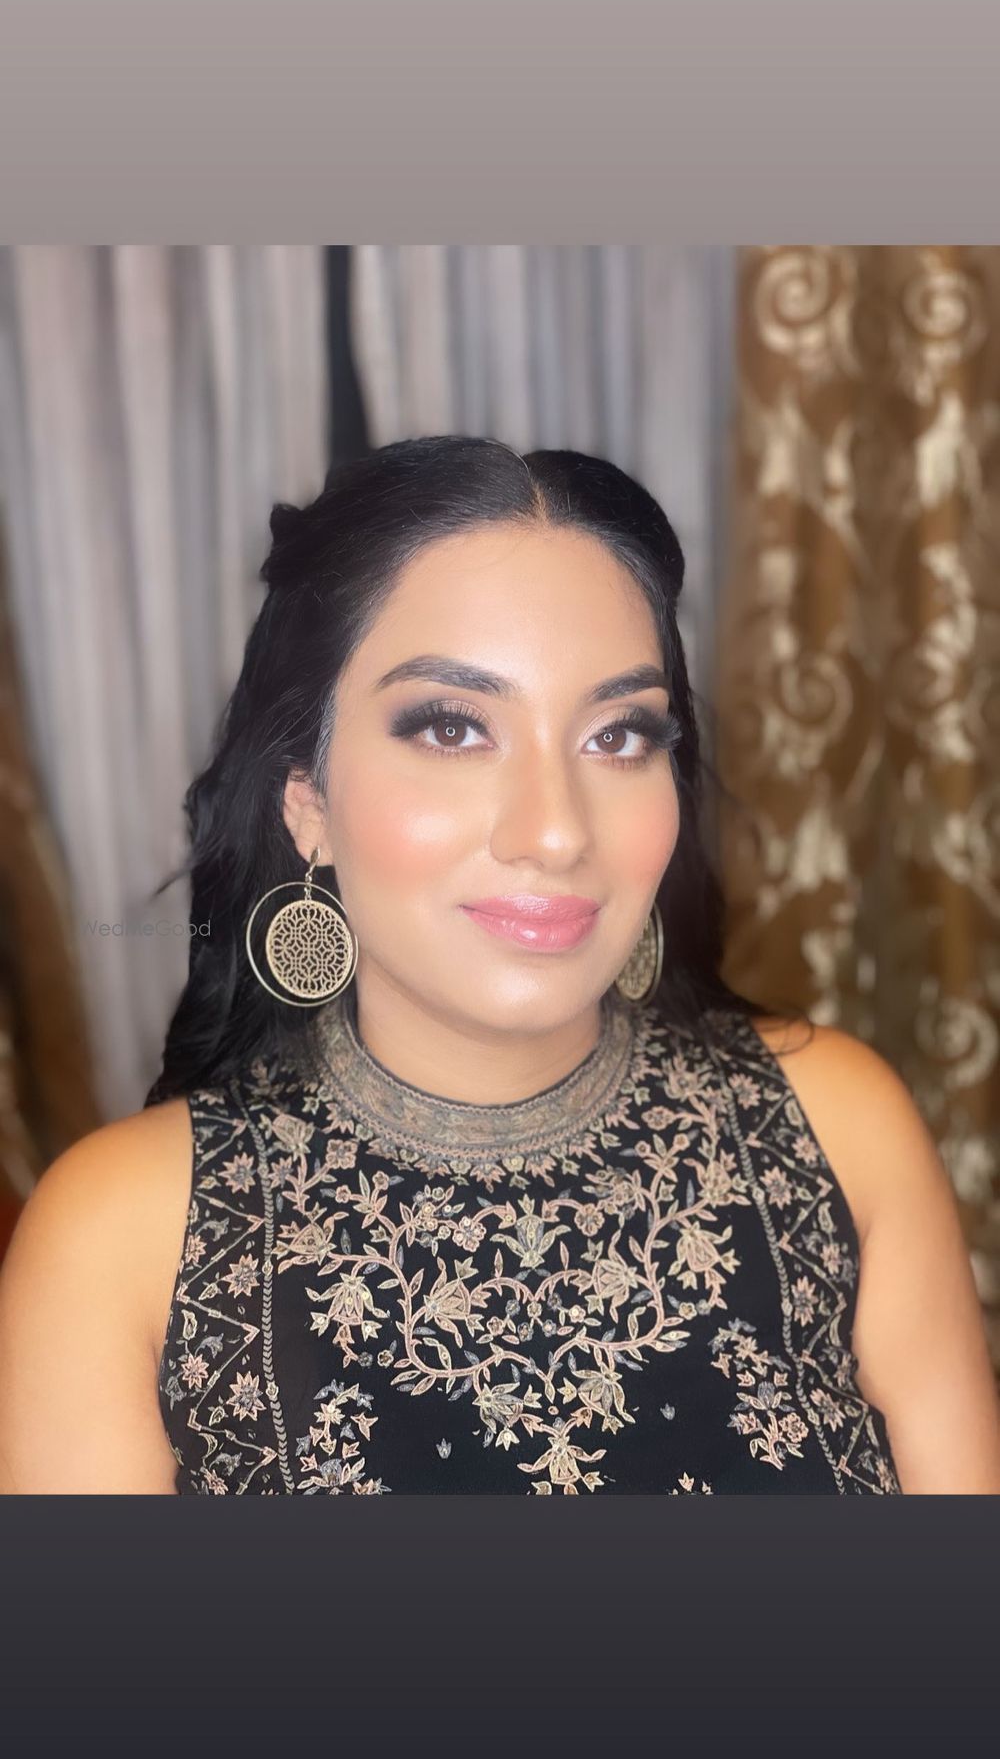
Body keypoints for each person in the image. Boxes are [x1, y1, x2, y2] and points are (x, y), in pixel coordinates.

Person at [1, 435, 998, 1495]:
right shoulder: (117, 1239)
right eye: (453, 728)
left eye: (618, 736)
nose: (555, 831)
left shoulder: (835, 1124)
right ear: (308, 803)